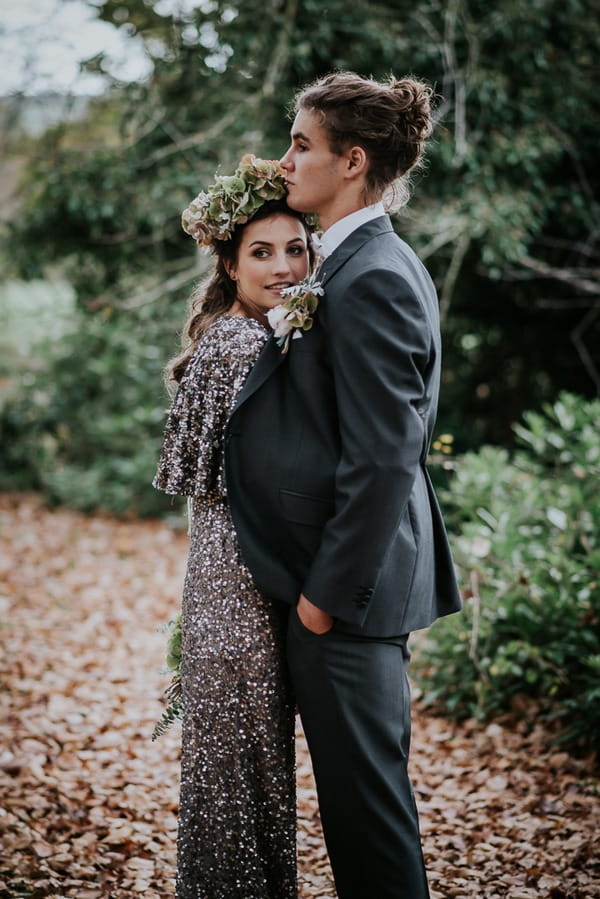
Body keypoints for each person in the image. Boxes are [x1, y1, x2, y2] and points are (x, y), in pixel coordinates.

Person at [224, 73, 462, 899]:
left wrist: (323, 599)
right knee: (354, 812)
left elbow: (386, 457)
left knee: (368, 817)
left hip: (347, 599)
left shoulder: (374, 276)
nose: (285, 159)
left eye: (300, 143)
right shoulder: (343, 258)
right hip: (329, 589)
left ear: (352, 161)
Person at [153, 154, 314, 899]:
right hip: (237, 581)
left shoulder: (266, 334)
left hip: (237, 574)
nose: (282, 266)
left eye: (295, 248)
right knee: (238, 773)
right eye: (261, 252)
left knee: (249, 769)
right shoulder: (240, 343)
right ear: (229, 262)